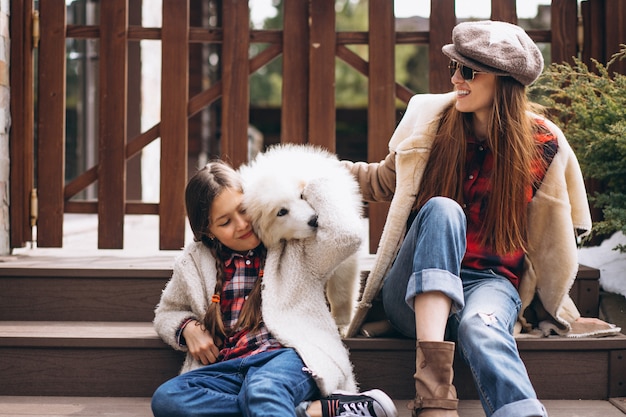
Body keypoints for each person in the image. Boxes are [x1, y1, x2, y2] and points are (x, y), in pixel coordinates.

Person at [344, 20, 616, 417]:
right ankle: (434, 395)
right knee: (442, 209)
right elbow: (381, 182)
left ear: (503, 82)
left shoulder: (543, 145)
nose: (456, 79)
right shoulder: (433, 122)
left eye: (468, 72)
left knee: (483, 328)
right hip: (413, 291)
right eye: (454, 68)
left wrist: (552, 306)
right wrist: (305, 174)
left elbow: (557, 235)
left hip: (488, 286)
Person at [150, 160, 397, 417]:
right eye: (225, 222)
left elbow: (346, 236)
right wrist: (187, 327)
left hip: (290, 356)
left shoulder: (291, 243)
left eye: (243, 210)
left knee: (262, 389)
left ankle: (275, 405)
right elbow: (167, 312)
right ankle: (311, 411)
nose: (242, 224)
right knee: (168, 399)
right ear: (208, 231)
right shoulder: (193, 262)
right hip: (229, 366)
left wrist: (309, 179)